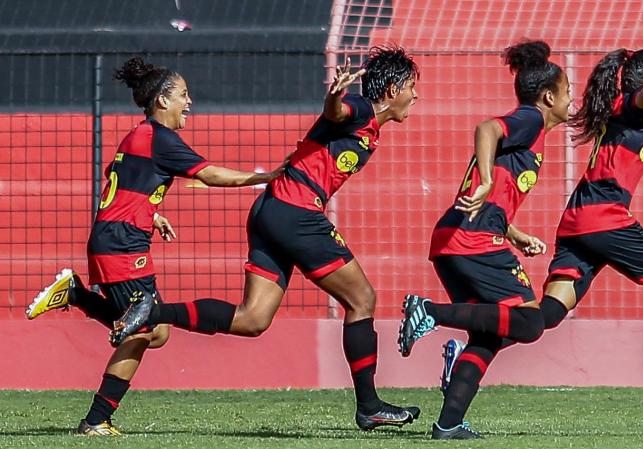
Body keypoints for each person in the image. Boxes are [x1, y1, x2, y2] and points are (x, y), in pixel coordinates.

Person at [105, 46, 422, 431]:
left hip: (270, 211)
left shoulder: (369, 125)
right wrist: (335, 95)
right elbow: (336, 112)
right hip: (296, 212)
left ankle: (153, 312)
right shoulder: (361, 109)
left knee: (253, 320)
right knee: (362, 299)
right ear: (391, 89)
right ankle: (369, 405)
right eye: (411, 86)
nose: (415, 95)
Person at [448, 31, 643, 413]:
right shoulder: (636, 105)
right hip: (606, 219)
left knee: (546, 316)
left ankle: (466, 352)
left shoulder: (634, 111)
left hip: (577, 223)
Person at [26, 56, 281, 435]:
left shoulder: (138, 134)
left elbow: (126, 184)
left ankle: (77, 296)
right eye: (182, 95)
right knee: (145, 330)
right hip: (123, 245)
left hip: (114, 237)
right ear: (162, 101)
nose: (189, 102)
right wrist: (267, 177)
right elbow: (210, 175)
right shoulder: (162, 140)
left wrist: (152, 213)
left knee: (155, 329)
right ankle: (96, 419)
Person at [397, 40, 571, 440]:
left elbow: (495, 193)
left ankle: (449, 424)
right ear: (548, 97)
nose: (570, 100)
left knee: (490, 334)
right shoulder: (529, 119)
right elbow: (487, 127)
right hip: (471, 239)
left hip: (458, 237)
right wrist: (489, 179)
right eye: (567, 93)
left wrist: (513, 231)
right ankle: (430, 313)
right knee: (530, 322)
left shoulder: (533, 131)